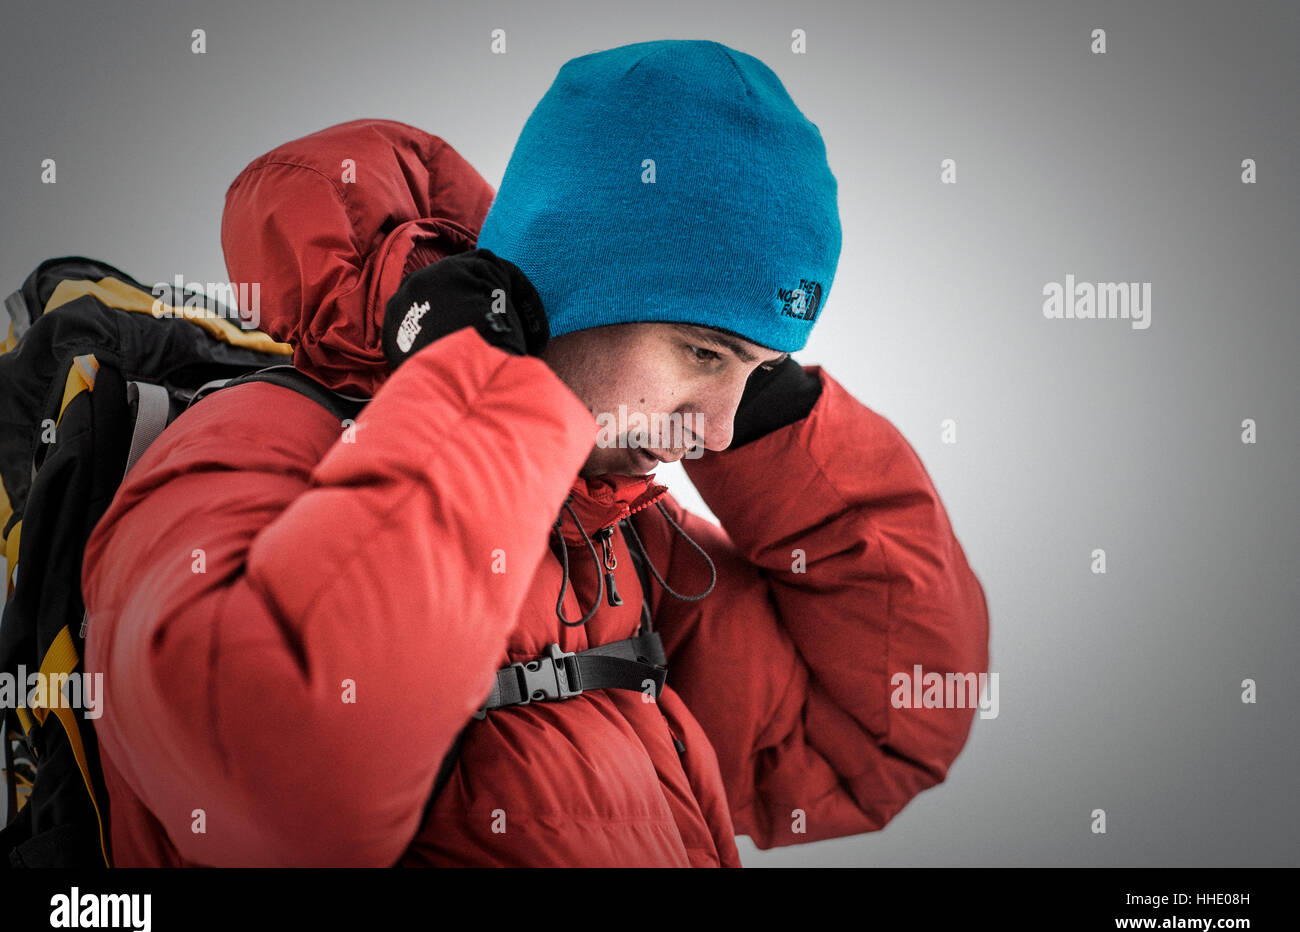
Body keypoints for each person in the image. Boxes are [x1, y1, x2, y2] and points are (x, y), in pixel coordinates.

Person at [81, 39, 989, 867]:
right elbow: (279, 794)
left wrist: (783, 435)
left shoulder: (617, 535)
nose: (714, 431)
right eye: (701, 353)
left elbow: (881, 737)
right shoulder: (254, 442)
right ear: (559, 298)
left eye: (756, 372)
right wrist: (476, 389)